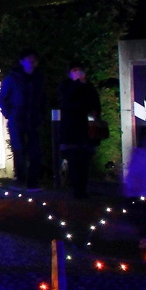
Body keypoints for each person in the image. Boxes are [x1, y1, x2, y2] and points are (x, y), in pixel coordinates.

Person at [0, 51, 48, 189]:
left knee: (35, 151)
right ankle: (20, 180)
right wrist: (10, 114)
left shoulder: (38, 78)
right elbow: (3, 98)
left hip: (33, 118)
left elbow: (43, 98)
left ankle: (32, 182)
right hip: (18, 119)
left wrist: (41, 114)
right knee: (19, 150)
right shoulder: (13, 78)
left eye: (34, 60)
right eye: (29, 59)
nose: (32, 63)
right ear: (22, 61)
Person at [56, 63, 105, 199]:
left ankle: (82, 189)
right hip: (72, 130)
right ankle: (77, 190)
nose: (77, 73)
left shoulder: (89, 87)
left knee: (85, 161)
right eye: (74, 70)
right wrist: (78, 84)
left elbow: (95, 104)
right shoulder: (66, 86)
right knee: (75, 160)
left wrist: (95, 113)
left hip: (87, 129)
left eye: (79, 70)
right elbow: (67, 103)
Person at [122, 144, 146, 250]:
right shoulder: (140, 158)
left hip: (142, 195)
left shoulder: (139, 157)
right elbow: (140, 178)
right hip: (139, 196)